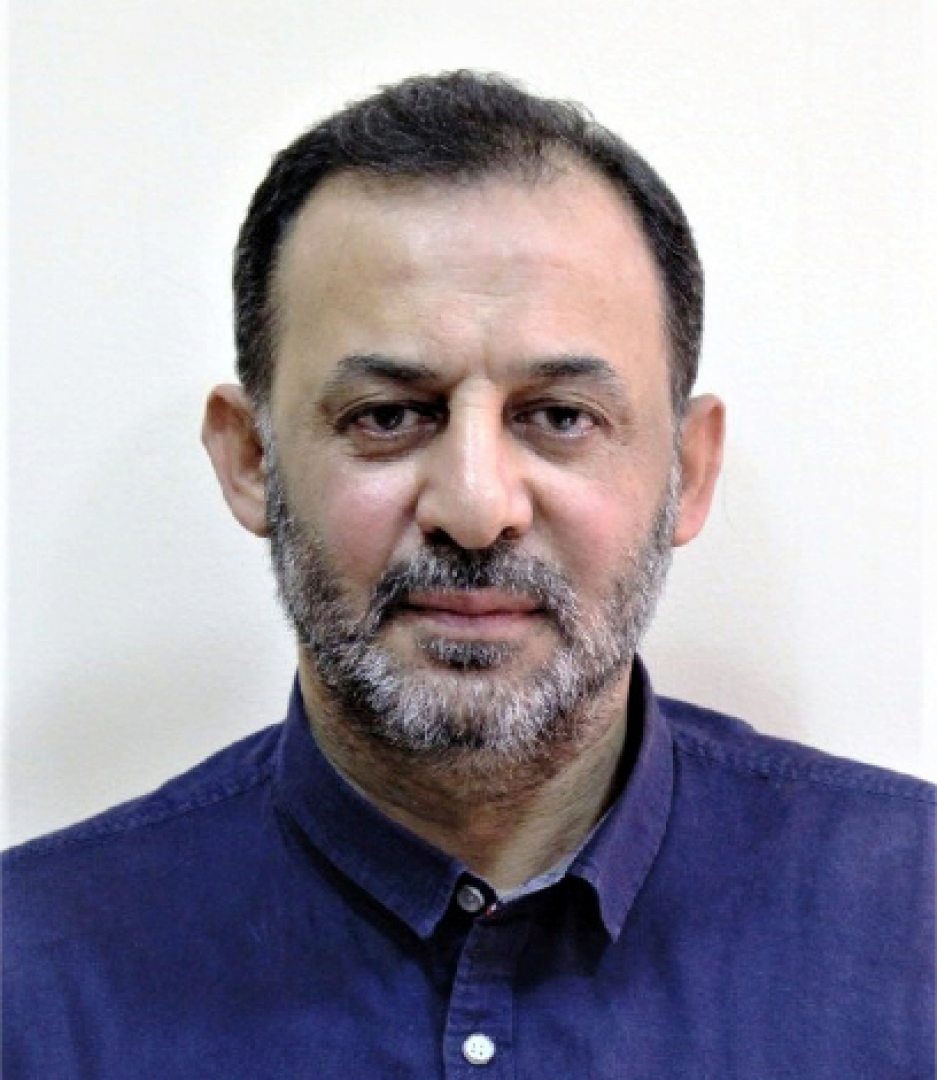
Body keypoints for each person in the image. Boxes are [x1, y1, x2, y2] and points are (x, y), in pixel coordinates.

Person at [3, 71, 933, 1078]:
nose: (477, 507)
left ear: (688, 473)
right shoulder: (30, 986)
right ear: (251, 459)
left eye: (560, 416)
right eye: (388, 416)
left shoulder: (911, 923)